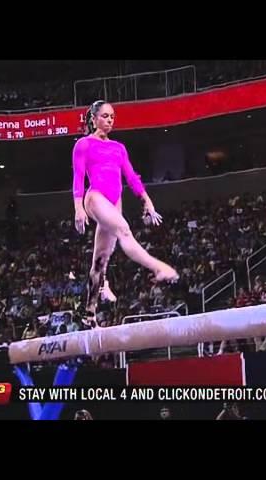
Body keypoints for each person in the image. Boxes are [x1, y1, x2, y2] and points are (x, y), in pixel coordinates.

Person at [72, 100, 178, 328]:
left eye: (112, 117)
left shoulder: (119, 148)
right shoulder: (83, 144)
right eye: (105, 116)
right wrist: (78, 208)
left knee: (100, 261)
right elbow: (79, 177)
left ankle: (89, 313)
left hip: (114, 202)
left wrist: (147, 201)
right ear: (94, 118)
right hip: (94, 197)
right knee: (124, 230)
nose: (110, 120)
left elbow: (131, 177)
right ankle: (158, 268)